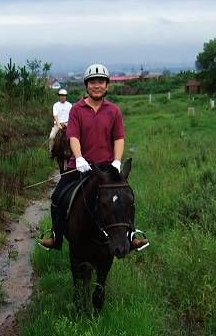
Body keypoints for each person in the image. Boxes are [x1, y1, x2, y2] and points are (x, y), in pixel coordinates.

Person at [39, 63, 150, 252]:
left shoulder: (114, 111)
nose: (96, 85)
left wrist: (116, 161)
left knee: (127, 196)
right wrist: (79, 158)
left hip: (106, 168)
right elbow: (73, 136)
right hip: (81, 166)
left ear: (106, 85)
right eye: (92, 82)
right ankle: (55, 236)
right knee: (57, 196)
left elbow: (119, 138)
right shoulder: (77, 110)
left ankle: (132, 236)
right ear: (86, 85)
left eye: (101, 82)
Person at [48, 88, 72, 153]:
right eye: (61, 95)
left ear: (66, 96)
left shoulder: (69, 105)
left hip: (67, 124)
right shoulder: (55, 105)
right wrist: (59, 125)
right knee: (52, 137)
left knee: (74, 136)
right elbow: (55, 116)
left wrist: (67, 124)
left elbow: (71, 116)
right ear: (59, 96)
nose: (62, 97)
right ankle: (51, 151)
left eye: (64, 96)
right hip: (58, 124)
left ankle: (76, 152)